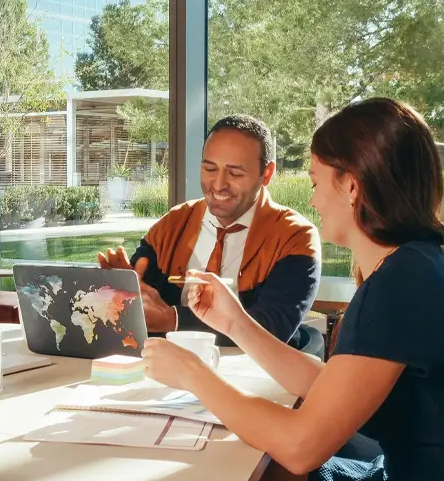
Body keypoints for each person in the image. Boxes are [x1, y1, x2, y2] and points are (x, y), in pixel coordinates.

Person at [140, 98, 444, 481]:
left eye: (314, 182)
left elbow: (300, 446)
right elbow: (331, 385)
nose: (312, 200)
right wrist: (234, 322)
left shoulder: (401, 286)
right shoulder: (420, 266)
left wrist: (194, 377)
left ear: (351, 185)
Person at [98, 114, 321, 349]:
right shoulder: (173, 225)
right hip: (168, 369)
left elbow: (272, 327)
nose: (218, 184)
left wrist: (172, 319)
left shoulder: (295, 237)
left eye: (235, 173)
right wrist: (125, 291)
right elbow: (144, 307)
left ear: (266, 174)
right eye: (210, 168)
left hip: (252, 376)